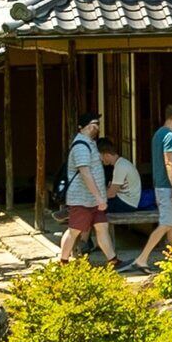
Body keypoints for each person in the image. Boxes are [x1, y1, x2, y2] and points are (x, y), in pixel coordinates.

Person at [136, 101, 172, 267]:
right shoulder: (170, 136)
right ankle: (142, 258)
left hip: (159, 185)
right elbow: (169, 163)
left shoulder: (158, 134)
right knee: (166, 224)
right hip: (167, 187)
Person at [57, 112, 112, 265]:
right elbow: (85, 173)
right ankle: (63, 261)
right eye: (95, 124)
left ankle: (113, 260)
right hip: (82, 199)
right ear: (86, 126)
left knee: (102, 227)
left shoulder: (90, 143)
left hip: (92, 200)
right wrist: (99, 197)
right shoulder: (81, 146)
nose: (97, 127)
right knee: (74, 230)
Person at [102, 140, 147, 269]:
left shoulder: (120, 167)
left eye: (101, 157)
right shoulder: (122, 163)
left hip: (126, 203)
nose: (101, 160)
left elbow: (111, 194)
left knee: (94, 208)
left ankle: (85, 241)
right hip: (126, 200)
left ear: (106, 154)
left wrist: (97, 197)